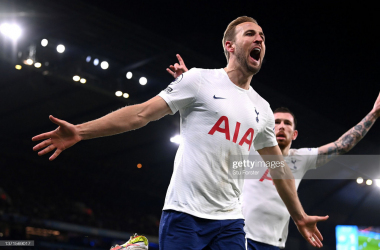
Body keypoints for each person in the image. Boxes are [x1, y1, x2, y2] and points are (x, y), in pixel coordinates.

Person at [33, 16, 327, 249]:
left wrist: (299, 216)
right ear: (230, 45)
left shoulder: (262, 108)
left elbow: (277, 168)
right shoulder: (199, 80)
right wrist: (81, 131)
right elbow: (140, 114)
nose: (259, 38)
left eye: (262, 36)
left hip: (231, 221)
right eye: (251, 34)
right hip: (185, 214)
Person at [167, 55, 380, 250]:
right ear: (267, 126)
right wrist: (191, 84)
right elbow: (211, 125)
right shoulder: (249, 149)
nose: (281, 126)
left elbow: (341, 145)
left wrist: (374, 113)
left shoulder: (301, 158)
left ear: (294, 133)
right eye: (276, 122)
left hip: (275, 243)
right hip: (240, 236)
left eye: (287, 123)